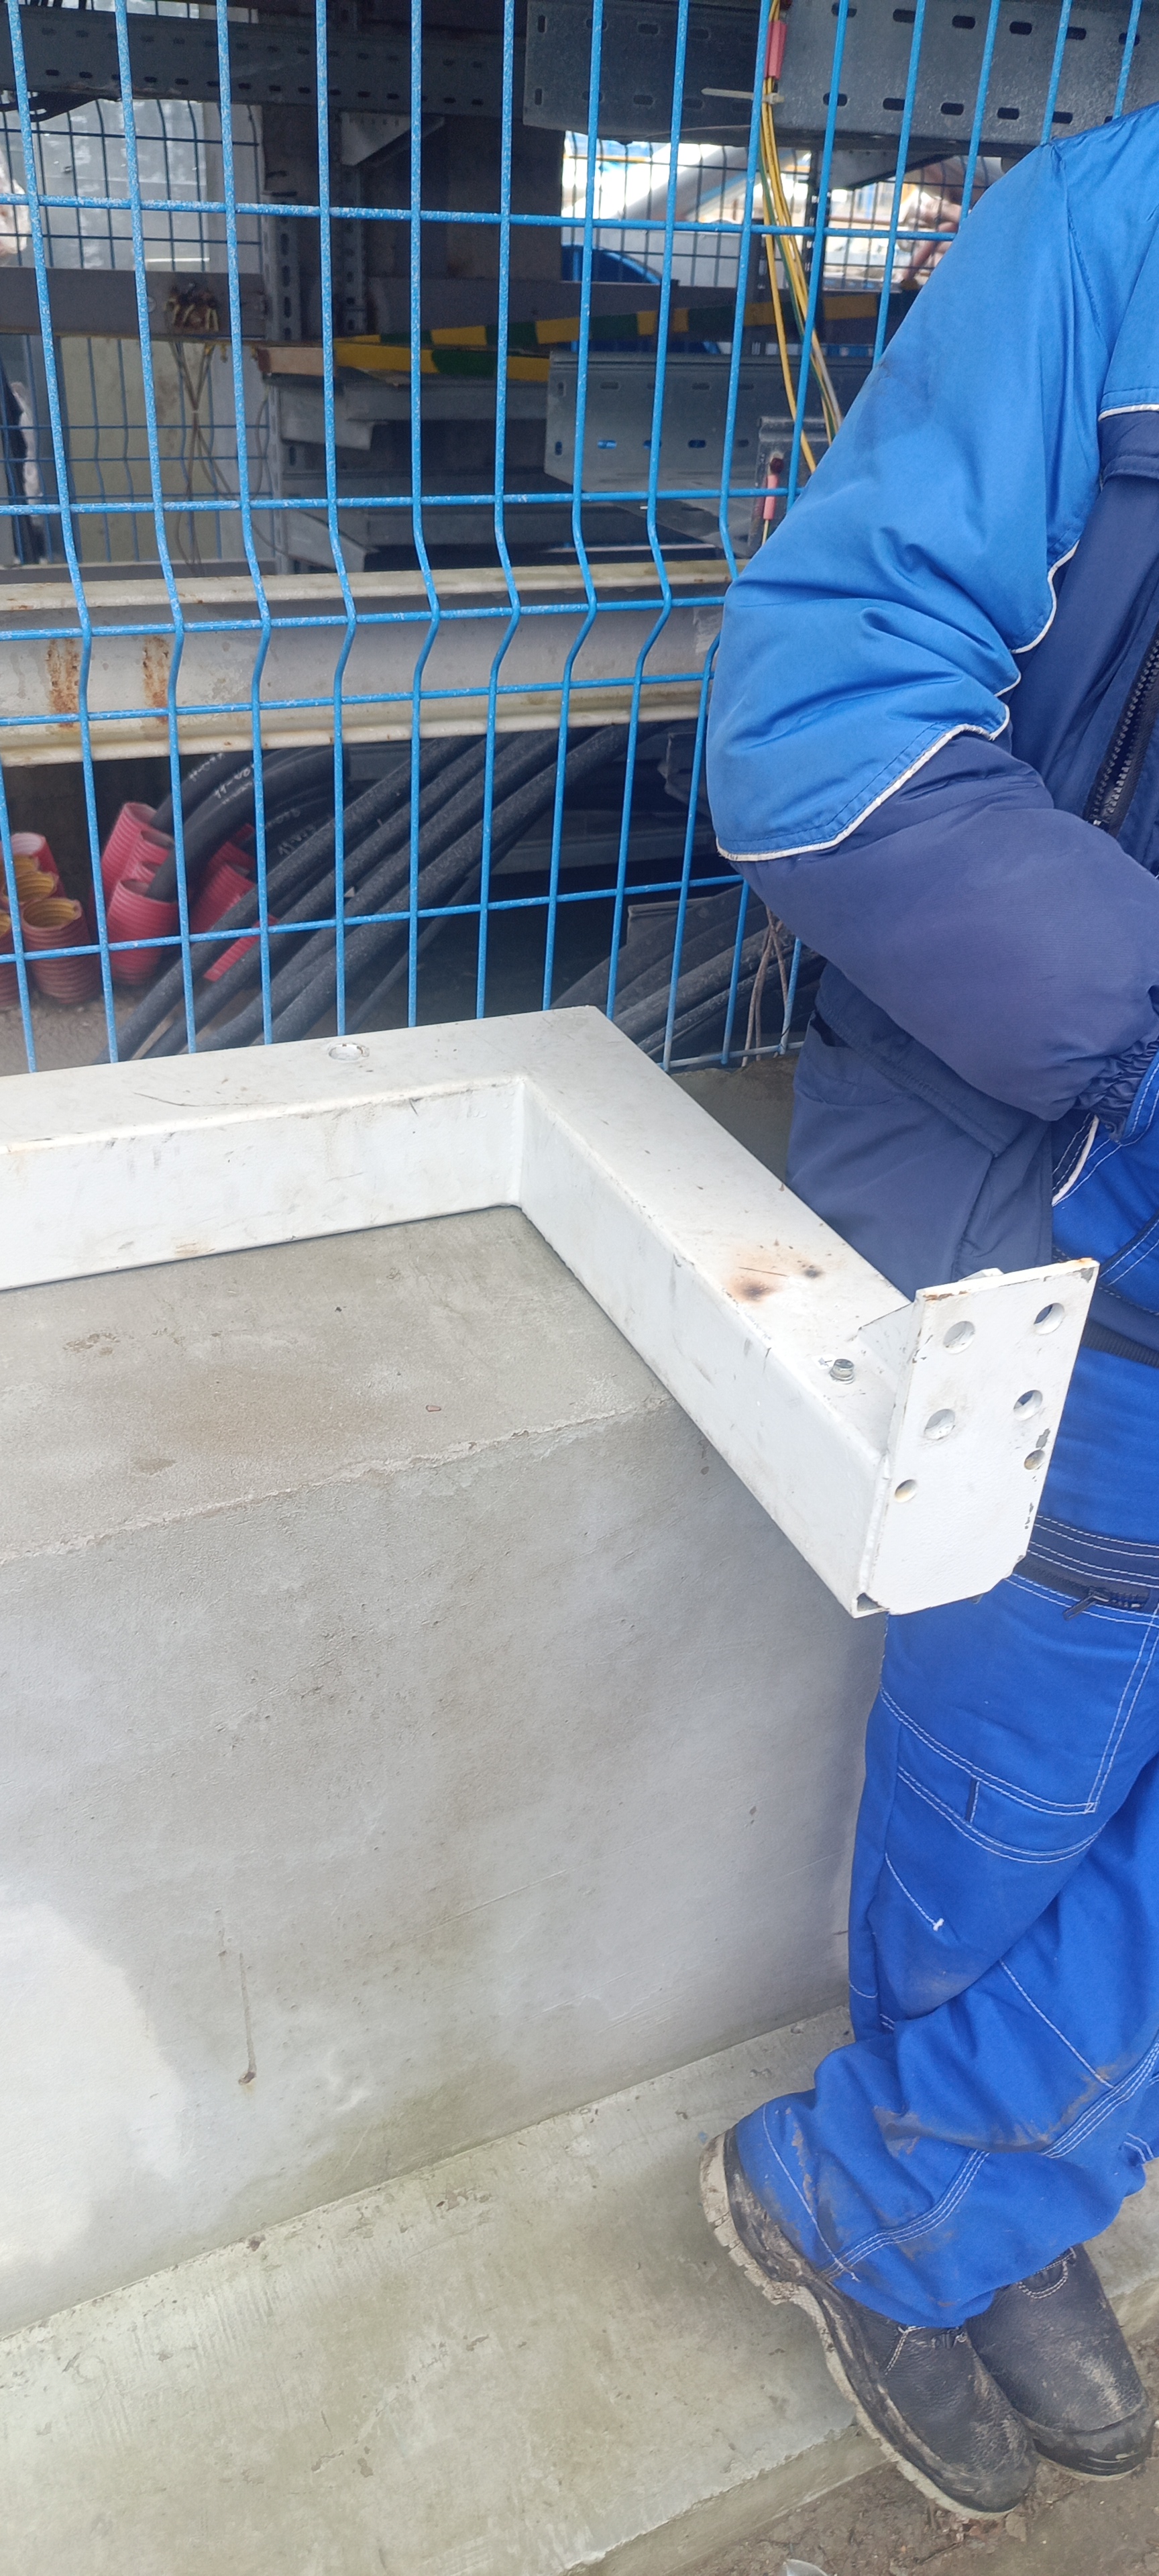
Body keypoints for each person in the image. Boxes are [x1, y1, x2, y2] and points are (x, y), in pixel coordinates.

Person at [701, 103, 1159, 2520]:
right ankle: (971, 2204)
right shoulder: (1115, 235)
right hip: (1084, 1184)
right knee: (1024, 1766)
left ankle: (914, 2192)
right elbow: (823, 720)